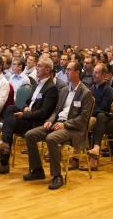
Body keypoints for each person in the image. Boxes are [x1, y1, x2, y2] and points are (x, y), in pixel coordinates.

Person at [23, 60, 94, 190]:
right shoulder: (65, 90)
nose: (66, 72)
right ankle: (38, 170)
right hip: (57, 124)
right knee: (30, 135)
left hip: (73, 129)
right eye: (66, 69)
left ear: (77, 72)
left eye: (69, 70)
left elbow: (83, 118)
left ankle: (57, 176)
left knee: (51, 138)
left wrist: (65, 124)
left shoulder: (86, 93)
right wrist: (50, 120)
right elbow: (56, 110)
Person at [0, 57, 58, 175]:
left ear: (48, 70)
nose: (36, 68)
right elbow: (28, 101)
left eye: (39, 66)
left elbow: (44, 113)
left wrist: (25, 114)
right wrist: (25, 108)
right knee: (10, 109)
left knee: (9, 124)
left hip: (37, 123)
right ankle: (4, 145)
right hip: (29, 117)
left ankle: (3, 162)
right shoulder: (38, 84)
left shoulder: (51, 88)